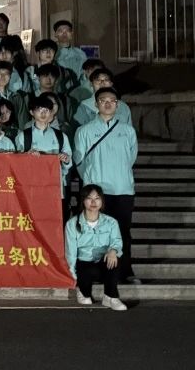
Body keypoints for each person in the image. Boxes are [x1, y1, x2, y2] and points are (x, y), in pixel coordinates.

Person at [73, 87, 139, 283]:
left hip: (122, 189)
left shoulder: (128, 131)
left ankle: (125, 272)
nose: (108, 104)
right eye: (103, 100)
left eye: (112, 101)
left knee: (123, 231)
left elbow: (131, 157)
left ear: (117, 105)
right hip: (97, 191)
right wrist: (92, 182)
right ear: (96, 104)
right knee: (96, 232)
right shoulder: (84, 131)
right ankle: (97, 273)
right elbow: (79, 161)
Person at [65, 184, 127, 311]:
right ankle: (83, 291)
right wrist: (73, 277)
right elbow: (70, 253)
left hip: (103, 262)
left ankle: (110, 297)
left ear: (102, 201)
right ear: (83, 201)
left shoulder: (111, 222)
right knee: (86, 300)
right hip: (84, 264)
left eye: (97, 198)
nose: (93, 202)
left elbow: (117, 241)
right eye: (89, 198)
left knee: (115, 258)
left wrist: (113, 251)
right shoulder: (72, 224)